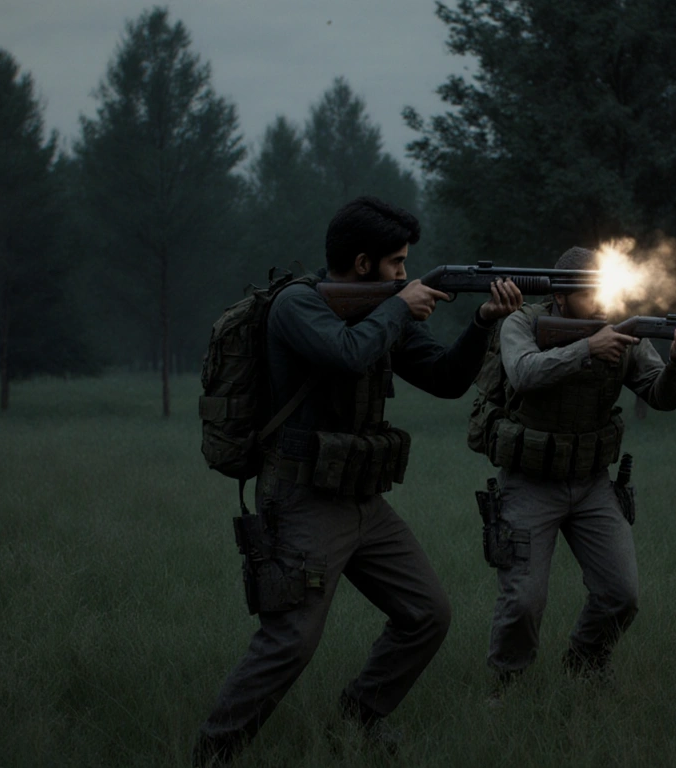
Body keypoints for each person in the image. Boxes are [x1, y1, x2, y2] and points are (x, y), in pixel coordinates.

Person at [193, 196, 523, 764]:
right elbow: (347, 353)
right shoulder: (298, 304)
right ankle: (214, 752)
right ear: (364, 263)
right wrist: (398, 307)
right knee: (290, 640)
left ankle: (357, 720)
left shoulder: (381, 308)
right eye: (397, 263)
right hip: (301, 497)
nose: (405, 274)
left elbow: (445, 379)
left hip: (362, 498)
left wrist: (481, 322)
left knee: (426, 615)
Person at [479, 246, 676, 697]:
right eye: (590, 291)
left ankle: (585, 664)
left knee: (622, 594)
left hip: (593, 482)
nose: (603, 301)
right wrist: (587, 348)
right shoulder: (521, 321)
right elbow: (522, 373)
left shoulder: (625, 330)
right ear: (560, 296)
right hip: (530, 481)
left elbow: (662, 396)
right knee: (523, 601)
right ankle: (508, 686)